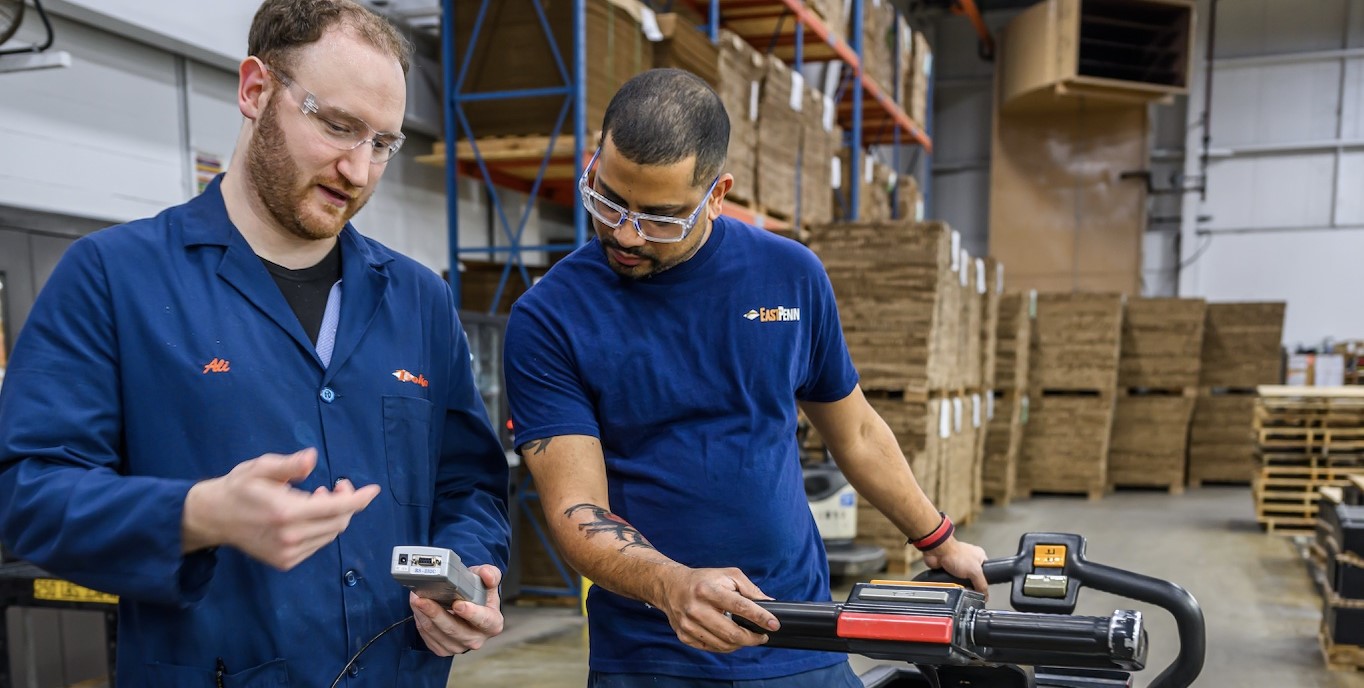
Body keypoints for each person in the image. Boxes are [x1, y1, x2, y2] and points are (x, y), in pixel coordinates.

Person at [0, 1, 509, 685]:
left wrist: (468, 570)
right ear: (255, 90)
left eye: (382, 143)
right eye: (337, 126)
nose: (358, 171)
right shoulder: (115, 278)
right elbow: (28, 495)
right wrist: (194, 515)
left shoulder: (419, 300)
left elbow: (468, 483)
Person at [503, 68, 989, 687]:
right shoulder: (551, 316)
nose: (625, 234)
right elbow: (576, 508)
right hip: (651, 651)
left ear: (716, 194)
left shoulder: (789, 276)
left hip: (799, 632)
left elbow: (857, 433)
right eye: (608, 199)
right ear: (595, 164)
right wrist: (672, 585)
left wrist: (938, 538)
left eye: (660, 217)